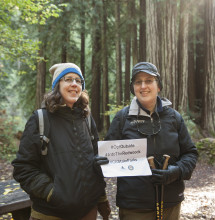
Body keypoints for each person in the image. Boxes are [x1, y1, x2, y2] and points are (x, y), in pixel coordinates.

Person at [12, 63, 111, 220]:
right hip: (51, 214)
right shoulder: (40, 119)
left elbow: (94, 161)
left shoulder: (86, 119)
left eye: (78, 81)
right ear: (57, 84)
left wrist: (100, 196)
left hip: (87, 212)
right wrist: (53, 193)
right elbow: (23, 168)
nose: (74, 84)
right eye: (68, 79)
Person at [105, 62, 198, 220]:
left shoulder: (174, 118)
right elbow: (107, 158)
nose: (143, 86)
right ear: (133, 87)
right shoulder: (122, 118)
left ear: (158, 86)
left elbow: (190, 153)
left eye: (149, 80)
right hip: (134, 207)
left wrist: (176, 172)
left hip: (170, 204)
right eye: (138, 82)